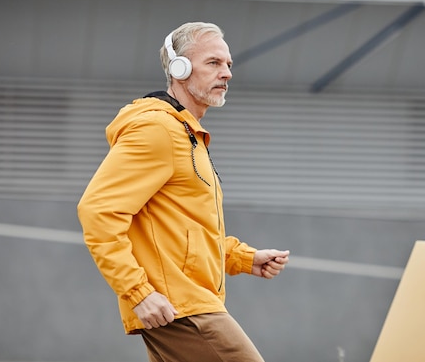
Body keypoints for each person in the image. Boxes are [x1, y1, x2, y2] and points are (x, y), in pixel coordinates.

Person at [77, 21, 290, 362]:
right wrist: (138, 292)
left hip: (186, 302)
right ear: (180, 68)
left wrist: (243, 258)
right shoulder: (157, 129)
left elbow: (183, 231)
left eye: (229, 64)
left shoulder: (186, 135)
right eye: (214, 63)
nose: (227, 73)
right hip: (179, 305)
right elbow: (97, 211)